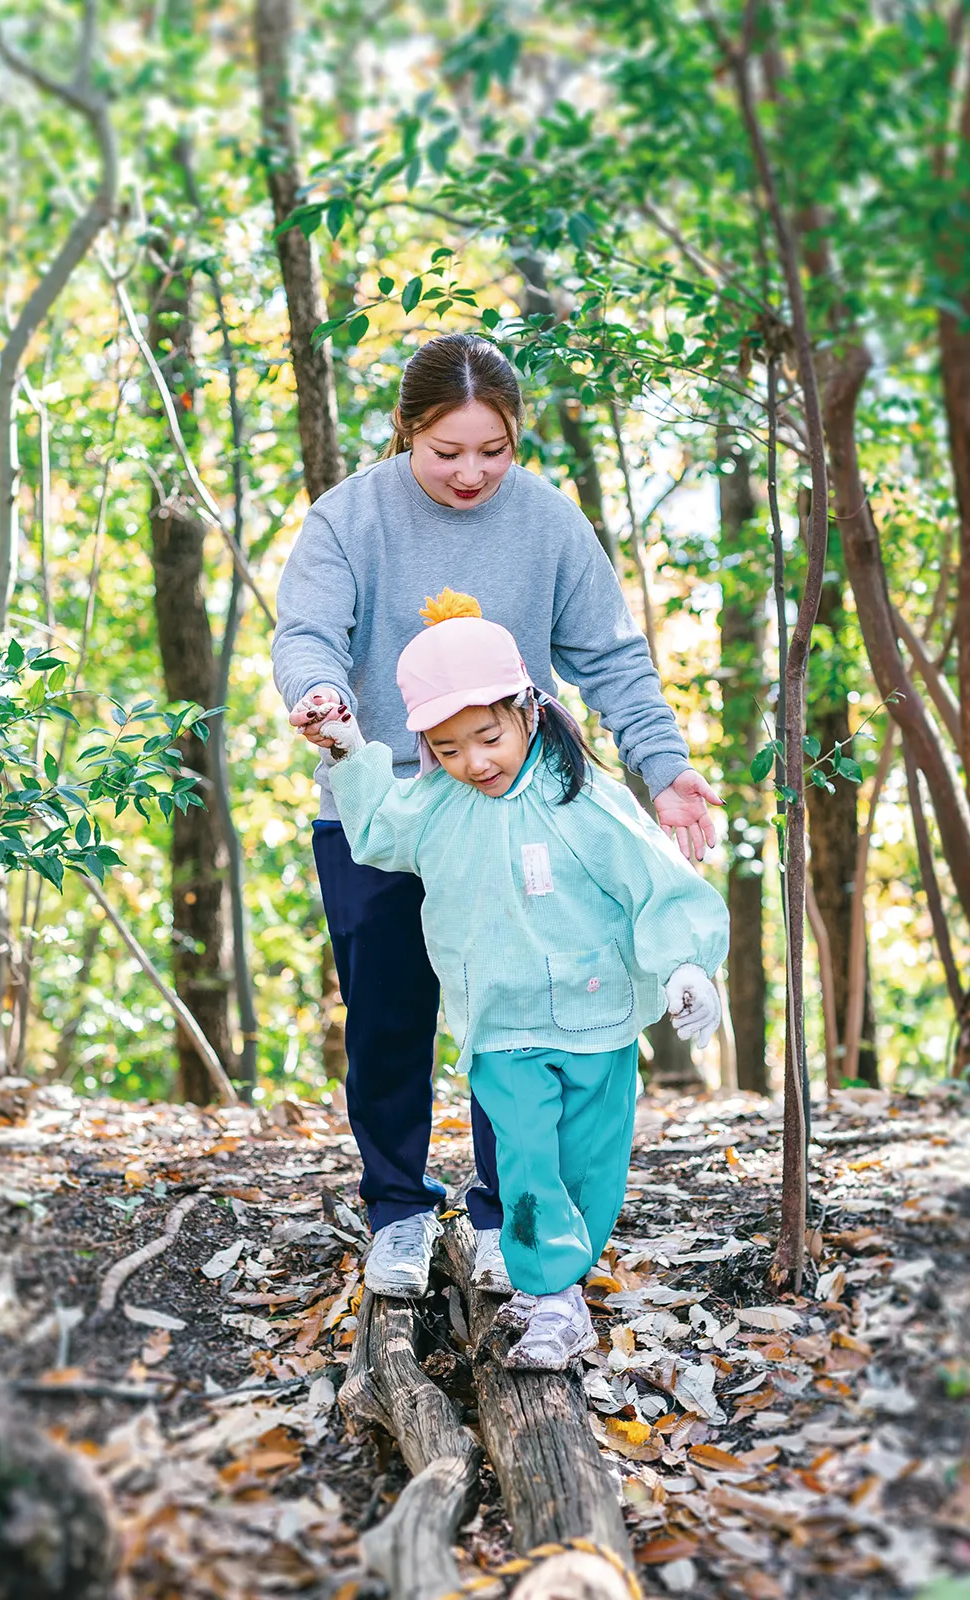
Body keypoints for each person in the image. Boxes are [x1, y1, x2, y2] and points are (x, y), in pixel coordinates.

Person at [271, 332, 721, 1301]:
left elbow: (609, 656)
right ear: (407, 432)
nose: (473, 472)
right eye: (448, 452)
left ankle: (499, 1212)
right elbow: (307, 632)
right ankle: (397, 1207)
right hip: (388, 800)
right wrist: (319, 699)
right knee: (388, 1020)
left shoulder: (550, 524)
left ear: (518, 438)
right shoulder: (349, 520)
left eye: (495, 450)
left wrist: (666, 768)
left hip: (519, 803)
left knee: (514, 1016)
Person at [314, 591, 725, 1366]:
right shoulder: (439, 803)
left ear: (528, 709)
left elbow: (655, 881)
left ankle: (566, 1271)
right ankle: (552, 1300)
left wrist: (686, 964)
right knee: (529, 1162)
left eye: (487, 736)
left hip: (597, 1021)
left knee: (591, 1172)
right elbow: (372, 833)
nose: (473, 762)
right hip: (502, 1026)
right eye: (446, 747)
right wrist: (346, 749)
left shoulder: (583, 798)